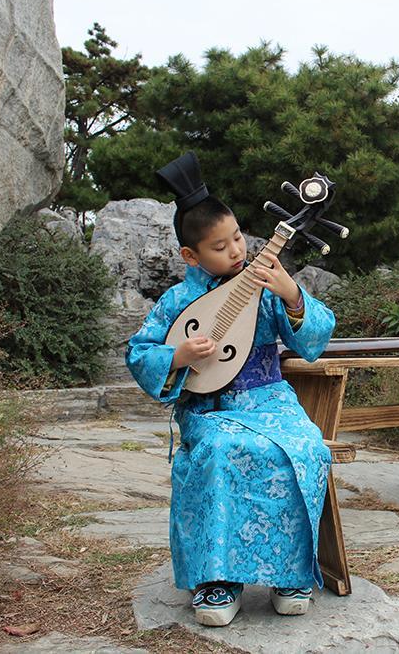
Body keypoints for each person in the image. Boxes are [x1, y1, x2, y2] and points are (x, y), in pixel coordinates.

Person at [125, 152, 336, 627]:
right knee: (221, 451)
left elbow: (314, 338)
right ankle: (218, 579)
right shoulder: (179, 301)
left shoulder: (263, 284)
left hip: (269, 398)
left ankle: (290, 573)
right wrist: (178, 357)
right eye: (220, 246)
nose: (236, 250)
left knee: (302, 448)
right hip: (208, 405)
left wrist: (290, 293)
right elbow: (140, 353)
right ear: (191, 255)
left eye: (238, 236)